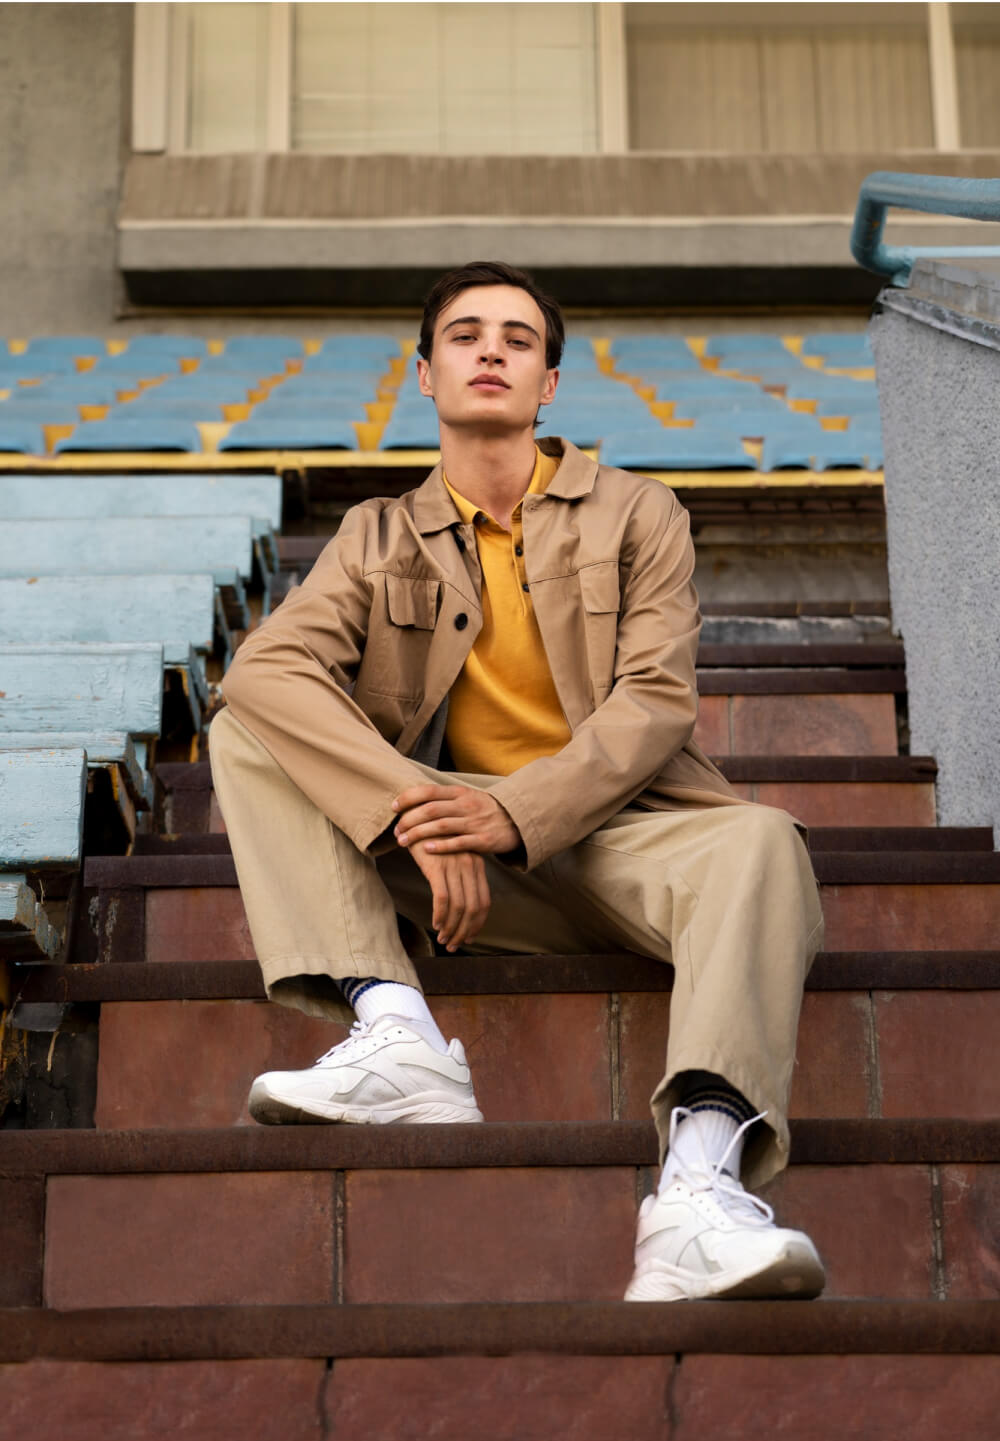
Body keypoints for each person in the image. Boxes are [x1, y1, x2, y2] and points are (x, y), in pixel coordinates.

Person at [208, 260, 826, 1303]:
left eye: (517, 338)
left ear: (548, 384)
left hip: (625, 844)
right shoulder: (376, 535)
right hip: (454, 871)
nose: (490, 350)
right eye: (464, 335)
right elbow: (265, 670)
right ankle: (396, 1031)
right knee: (249, 729)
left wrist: (509, 811)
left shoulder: (638, 513)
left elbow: (655, 702)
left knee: (764, 842)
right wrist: (420, 812)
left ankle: (697, 1193)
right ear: (424, 373)